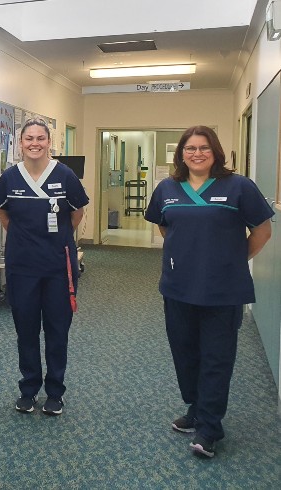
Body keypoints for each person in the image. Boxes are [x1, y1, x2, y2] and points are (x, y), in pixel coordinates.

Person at [145, 125, 273, 458]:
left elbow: (262, 230)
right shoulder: (168, 188)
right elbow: (164, 224)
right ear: (181, 154)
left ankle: (209, 427)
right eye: (190, 148)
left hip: (223, 290)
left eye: (204, 148)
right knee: (185, 353)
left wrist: (233, 259)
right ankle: (196, 409)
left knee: (216, 358)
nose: (197, 153)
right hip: (178, 287)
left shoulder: (239, 187)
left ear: (215, 152)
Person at [0, 117, 88, 416]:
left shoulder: (66, 175)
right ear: (20, 143)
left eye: (40, 138)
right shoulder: (10, 177)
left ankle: (55, 392)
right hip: (22, 267)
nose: (35, 143)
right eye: (29, 138)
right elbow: (4, 215)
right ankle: (29, 389)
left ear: (49, 143)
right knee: (27, 329)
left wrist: (55, 242)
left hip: (59, 267)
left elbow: (76, 213)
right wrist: (24, 240)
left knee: (58, 330)